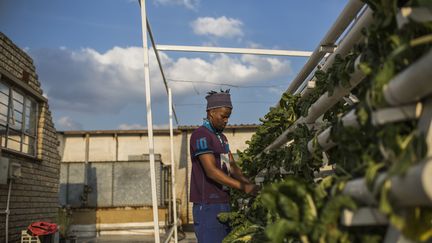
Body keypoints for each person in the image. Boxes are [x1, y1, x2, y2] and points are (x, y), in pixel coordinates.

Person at [189, 90, 259, 243]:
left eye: (228, 116)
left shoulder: (222, 138)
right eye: (223, 116)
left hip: (223, 203)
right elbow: (211, 172)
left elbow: (232, 167)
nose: (226, 120)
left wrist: (250, 185)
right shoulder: (201, 135)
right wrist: (243, 187)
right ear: (211, 112)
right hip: (207, 205)